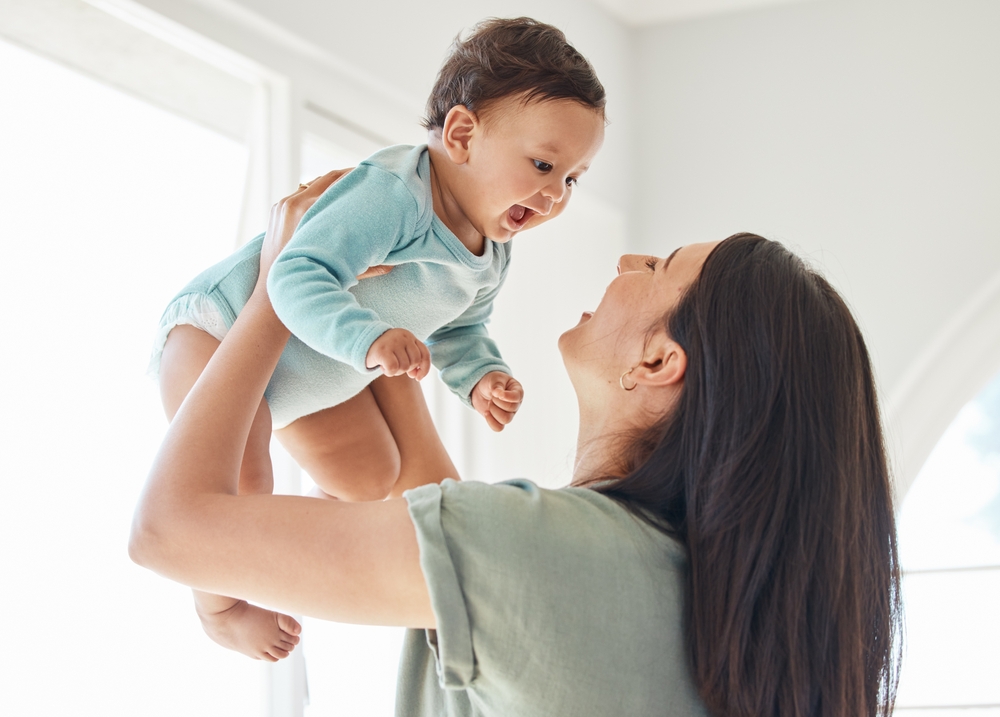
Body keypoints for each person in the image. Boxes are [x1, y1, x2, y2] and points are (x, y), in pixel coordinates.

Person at [130, 173, 903, 716]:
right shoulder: (683, 589)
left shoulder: (541, 549)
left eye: (661, 267)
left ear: (660, 362)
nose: (630, 261)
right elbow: (416, 489)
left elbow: (171, 530)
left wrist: (277, 281)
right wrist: (380, 309)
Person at [147, 17, 606, 660]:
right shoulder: (394, 195)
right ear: (463, 134)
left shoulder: (492, 253)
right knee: (243, 487)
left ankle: (292, 551)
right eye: (543, 165)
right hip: (219, 332)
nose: (556, 194)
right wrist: (371, 341)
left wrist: (479, 376)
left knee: (370, 476)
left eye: (572, 179)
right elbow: (297, 272)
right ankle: (217, 607)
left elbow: (461, 327)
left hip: (314, 367)